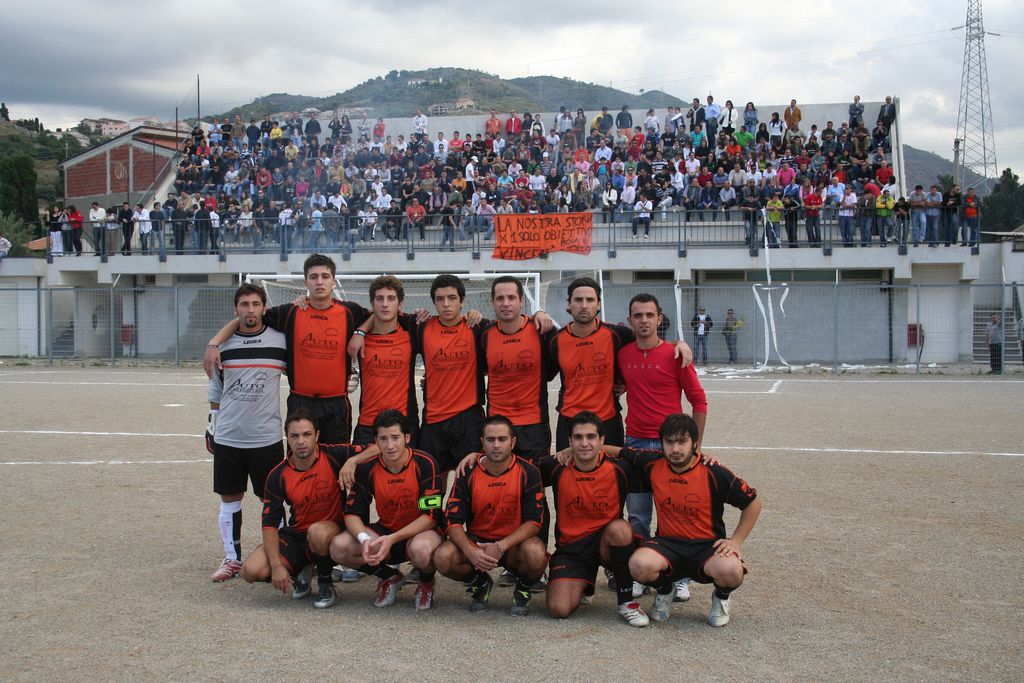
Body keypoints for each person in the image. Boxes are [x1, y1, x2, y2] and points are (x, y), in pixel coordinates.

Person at [205, 254, 368, 443]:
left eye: (325, 276)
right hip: (300, 401)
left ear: (333, 281)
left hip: (336, 403)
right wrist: (214, 343)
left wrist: (361, 332)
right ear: (306, 282)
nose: (319, 282)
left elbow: (377, 317)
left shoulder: (350, 312)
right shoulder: (291, 312)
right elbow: (250, 317)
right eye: (313, 277)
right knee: (300, 457)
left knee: (335, 457)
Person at [624, 413, 761, 626]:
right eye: (669, 442)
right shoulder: (653, 463)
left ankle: (721, 597)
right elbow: (617, 451)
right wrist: (572, 451)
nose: (675, 448)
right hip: (668, 544)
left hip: (706, 547)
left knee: (731, 571)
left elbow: (753, 503)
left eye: (682, 441)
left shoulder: (713, 471)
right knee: (638, 565)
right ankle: (665, 590)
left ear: (694, 443)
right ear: (662, 443)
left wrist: (735, 541)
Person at [619, 294, 708, 602]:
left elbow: (699, 401)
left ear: (659, 318)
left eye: (649, 315)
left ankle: (681, 575)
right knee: (638, 515)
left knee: (674, 516)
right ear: (629, 320)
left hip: (670, 447)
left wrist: (695, 445)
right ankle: (642, 573)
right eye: (638, 315)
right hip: (635, 444)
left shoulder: (675, 354)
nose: (644, 320)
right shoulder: (623, 353)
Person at [239, 409, 374, 608]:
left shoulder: (334, 454)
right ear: (287, 437)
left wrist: (352, 460)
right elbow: (269, 524)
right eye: (294, 436)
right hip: (298, 533)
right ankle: (303, 568)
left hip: (331, 531)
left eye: (306, 434)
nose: (301, 441)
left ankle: (325, 582)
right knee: (250, 571)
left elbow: (377, 448)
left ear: (317, 435)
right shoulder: (278, 475)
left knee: (317, 532)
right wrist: (276, 566)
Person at [546, 277, 692, 451]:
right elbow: (545, 374)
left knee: (613, 468)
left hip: (607, 420)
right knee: (567, 468)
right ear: (569, 304)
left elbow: (650, 341)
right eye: (578, 300)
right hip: (569, 420)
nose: (584, 305)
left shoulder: (618, 335)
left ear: (598, 304)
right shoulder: (555, 340)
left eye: (590, 300)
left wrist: (678, 344)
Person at [207, 284, 288, 582]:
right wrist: (211, 424)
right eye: (244, 304)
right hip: (229, 436)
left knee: (272, 499)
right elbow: (216, 389)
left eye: (255, 304)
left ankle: (283, 556)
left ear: (264, 307)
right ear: (236, 309)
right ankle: (232, 558)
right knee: (230, 498)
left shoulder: (280, 341)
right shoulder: (223, 346)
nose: (250, 309)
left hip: (266, 438)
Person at [541, 412, 651, 627]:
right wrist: (479, 458)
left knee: (620, 529)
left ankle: (626, 603)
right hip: (572, 550)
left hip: (607, 544)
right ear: (570, 441)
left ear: (602, 440)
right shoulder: (557, 465)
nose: (584, 443)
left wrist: (700, 459)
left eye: (591, 437)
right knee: (558, 609)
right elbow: (516, 469)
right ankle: (585, 584)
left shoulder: (619, 468)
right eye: (578, 437)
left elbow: (659, 466)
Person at [433, 416, 548, 616]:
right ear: (482, 442)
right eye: (490, 439)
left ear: (513, 442)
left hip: (512, 544)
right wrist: (470, 551)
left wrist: (501, 546)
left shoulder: (528, 471)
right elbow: (452, 521)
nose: (496, 445)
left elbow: (535, 522)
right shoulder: (467, 471)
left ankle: (523, 588)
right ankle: (480, 583)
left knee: (536, 553)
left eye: (502, 439)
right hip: (478, 541)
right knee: (443, 557)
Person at [329, 410, 444, 610]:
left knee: (421, 550)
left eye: (395, 438)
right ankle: (390, 576)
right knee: (339, 546)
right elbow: (352, 513)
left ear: (407, 438)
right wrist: (364, 540)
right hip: (387, 531)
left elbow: (431, 516)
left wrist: (393, 538)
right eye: (383, 439)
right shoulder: (368, 467)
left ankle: (426, 582)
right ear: (376, 441)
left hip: (420, 532)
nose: (390, 446)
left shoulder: (425, 463)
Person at [479, 276, 555, 462]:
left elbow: (555, 370)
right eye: (500, 298)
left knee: (534, 477)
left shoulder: (541, 331)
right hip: (498, 425)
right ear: (493, 302)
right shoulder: (484, 335)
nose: (506, 303)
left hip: (534, 424)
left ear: (521, 301)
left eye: (511, 297)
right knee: (500, 477)